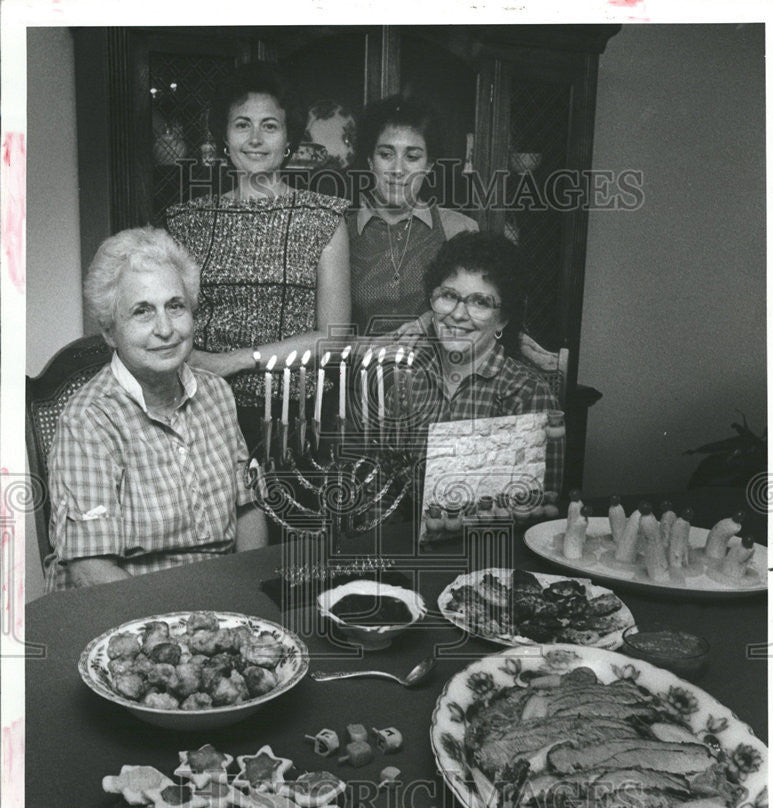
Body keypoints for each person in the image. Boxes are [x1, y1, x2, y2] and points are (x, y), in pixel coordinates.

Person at [44, 227, 266, 592]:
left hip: (222, 594)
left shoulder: (217, 394)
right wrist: (184, 623)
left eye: (175, 306)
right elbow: (89, 570)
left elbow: (248, 508)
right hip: (129, 604)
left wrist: (247, 590)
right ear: (110, 331)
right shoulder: (88, 420)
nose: (165, 329)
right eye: (142, 312)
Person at [166, 62, 350, 448]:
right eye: (241, 124)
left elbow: (333, 337)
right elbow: (169, 322)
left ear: (288, 140)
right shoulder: (186, 222)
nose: (255, 138)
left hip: (298, 416)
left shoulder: (324, 218)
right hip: (203, 409)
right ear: (224, 138)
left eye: (269, 125)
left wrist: (233, 360)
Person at [392, 231, 564, 500]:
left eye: (480, 302)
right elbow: (387, 485)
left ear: (503, 319)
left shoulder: (527, 395)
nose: (459, 314)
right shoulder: (408, 378)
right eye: (449, 296)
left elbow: (538, 505)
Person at [348, 96, 478, 338]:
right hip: (359, 371)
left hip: (439, 371)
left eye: (412, 157)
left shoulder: (459, 229)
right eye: (386, 155)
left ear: (429, 165)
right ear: (369, 161)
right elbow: (325, 331)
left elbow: (478, 313)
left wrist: (430, 320)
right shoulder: (341, 232)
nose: (398, 170)